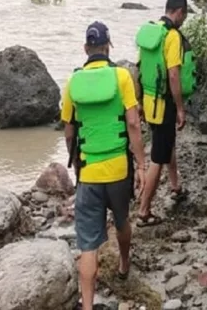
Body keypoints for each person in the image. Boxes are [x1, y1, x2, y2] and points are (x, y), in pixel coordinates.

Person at [61, 21, 147, 310]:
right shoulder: (121, 76)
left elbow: (69, 131)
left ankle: (87, 306)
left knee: (87, 246)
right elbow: (133, 123)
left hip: (89, 173)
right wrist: (142, 164)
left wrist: (76, 165)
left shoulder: (72, 83)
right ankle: (124, 264)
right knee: (122, 221)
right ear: (108, 46)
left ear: (86, 48)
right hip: (119, 170)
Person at [134, 0, 197, 227]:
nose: (184, 19)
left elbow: (139, 69)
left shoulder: (152, 32)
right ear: (179, 11)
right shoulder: (172, 37)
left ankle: (175, 186)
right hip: (165, 105)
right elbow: (173, 74)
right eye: (185, 15)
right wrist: (180, 108)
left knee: (167, 143)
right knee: (158, 157)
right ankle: (144, 211)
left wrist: (139, 102)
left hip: (150, 103)